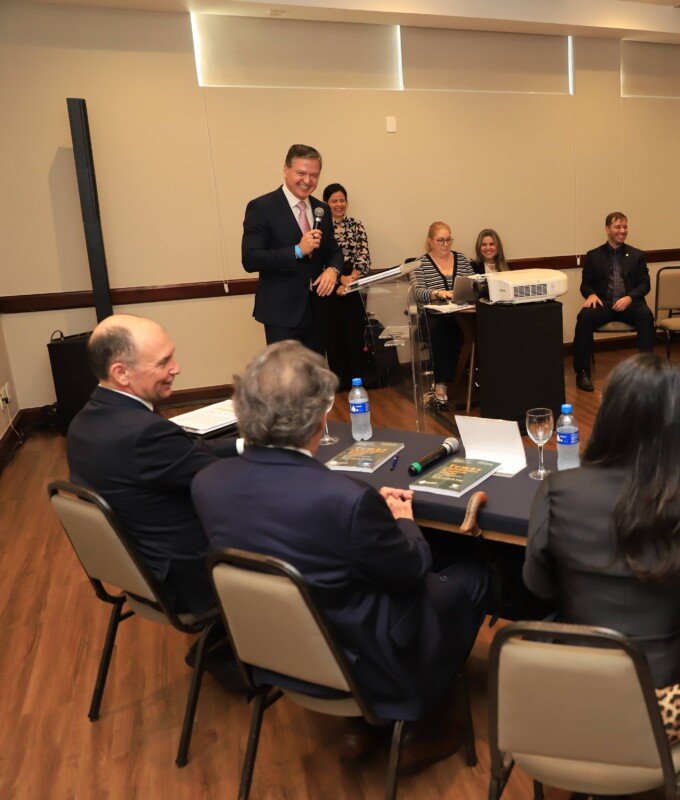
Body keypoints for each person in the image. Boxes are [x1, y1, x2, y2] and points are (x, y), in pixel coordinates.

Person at [192, 341, 488, 758]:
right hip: (361, 660)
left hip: (276, 651)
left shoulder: (207, 484)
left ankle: (360, 724)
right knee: (473, 576)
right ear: (319, 418)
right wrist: (403, 521)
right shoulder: (344, 500)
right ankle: (421, 719)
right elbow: (411, 570)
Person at [523, 353, 680, 745]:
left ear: (609, 416)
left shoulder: (558, 490)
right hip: (667, 703)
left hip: (572, 691)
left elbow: (538, 584)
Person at [67, 314, 241, 618]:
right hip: (193, 578)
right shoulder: (144, 433)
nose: (176, 368)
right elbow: (227, 483)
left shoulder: (85, 422)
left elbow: (186, 453)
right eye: (163, 362)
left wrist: (244, 445)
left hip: (144, 570)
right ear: (121, 373)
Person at [242, 144, 345, 352]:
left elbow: (334, 251)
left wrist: (333, 270)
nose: (307, 180)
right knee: (286, 373)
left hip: (318, 312)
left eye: (314, 175)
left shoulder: (322, 209)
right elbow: (251, 259)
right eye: (301, 173)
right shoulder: (262, 207)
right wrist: (297, 251)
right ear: (286, 170)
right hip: (281, 315)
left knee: (316, 371)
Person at [573, 211, 655, 392]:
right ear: (607, 229)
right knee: (584, 317)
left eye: (625, 227)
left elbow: (645, 284)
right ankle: (582, 372)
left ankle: (647, 371)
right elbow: (586, 284)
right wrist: (591, 294)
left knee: (646, 315)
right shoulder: (594, 255)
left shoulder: (637, 255)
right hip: (604, 303)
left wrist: (629, 297)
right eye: (618, 227)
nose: (622, 231)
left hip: (629, 303)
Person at [411, 221, 477, 407]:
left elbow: (474, 283)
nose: (446, 244)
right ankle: (441, 383)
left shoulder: (461, 259)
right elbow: (417, 292)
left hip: (464, 314)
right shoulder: (420, 264)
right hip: (434, 317)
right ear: (430, 241)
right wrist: (437, 293)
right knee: (441, 331)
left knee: (481, 327)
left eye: (449, 240)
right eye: (441, 240)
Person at [321, 182, 371, 391]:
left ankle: (357, 382)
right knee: (334, 337)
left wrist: (350, 280)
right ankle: (339, 384)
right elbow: (318, 260)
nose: (339, 204)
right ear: (326, 204)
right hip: (328, 286)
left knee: (355, 336)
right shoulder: (320, 227)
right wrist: (339, 279)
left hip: (354, 285)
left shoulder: (356, 225)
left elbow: (364, 257)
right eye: (334, 201)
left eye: (342, 200)